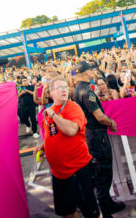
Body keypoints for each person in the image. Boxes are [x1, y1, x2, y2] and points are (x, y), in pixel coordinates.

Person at [36, 77, 101, 218]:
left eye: (65, 87)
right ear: (51, 92)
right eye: (60, 87)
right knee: (67, 212)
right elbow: (52, 133)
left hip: (78, 170)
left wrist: (54, 115)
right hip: (59, 174)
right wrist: (44, 146)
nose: (64, 90)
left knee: (91, 213)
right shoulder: (49, 111)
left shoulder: (73, 107)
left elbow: (71, 130)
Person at [73, 61, 125, 217]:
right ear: (87, 72)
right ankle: (106, 208)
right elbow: (100, 117)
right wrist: (111, 122)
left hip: (91, 135)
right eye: (91, 71)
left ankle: (107, 202)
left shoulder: (77, 89)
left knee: (100, 171)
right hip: (97, 136)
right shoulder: (86, 92)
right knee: (103, 171)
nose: (93, 73)